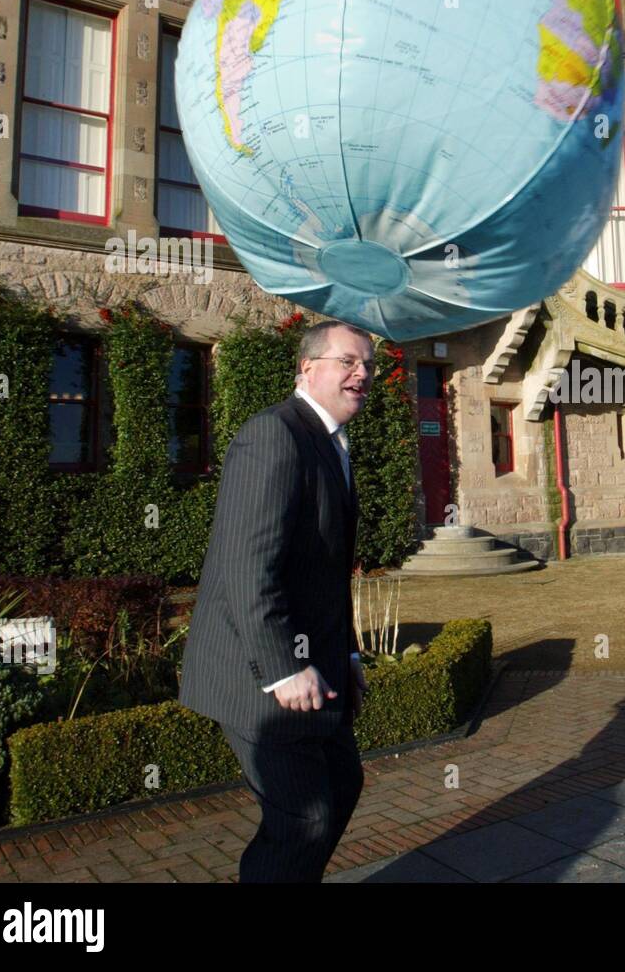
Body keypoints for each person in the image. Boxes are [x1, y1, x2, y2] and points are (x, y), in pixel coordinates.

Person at [179, 319, 376, 883]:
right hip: (259, 674)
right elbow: (247, 568)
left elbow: (325, 575)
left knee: (340, 787)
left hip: (319, 665)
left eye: (366, 363)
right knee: (305, 817)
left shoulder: (333, 444)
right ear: (308, 368)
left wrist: (350, 657)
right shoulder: (273, 435)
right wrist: (284, 667)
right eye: (348, 361)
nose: (362, 372)